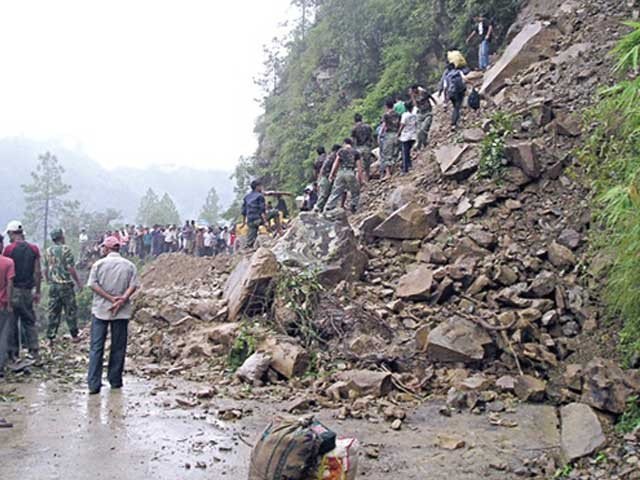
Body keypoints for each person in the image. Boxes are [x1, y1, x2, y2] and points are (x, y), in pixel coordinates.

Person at [87, 236, 139, 394]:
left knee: (97, 347)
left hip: (101, 310)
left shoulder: (99, 264)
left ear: (107, 249)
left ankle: (94, 384)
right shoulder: (129, 265)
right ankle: (115, 380)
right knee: (118, 347)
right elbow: (134, 286)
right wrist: (122, 299)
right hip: (121, 312)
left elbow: (92, 285)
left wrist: (110, 299)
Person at [3, 221, 41, 364]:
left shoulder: (8, 250)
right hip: (27, 291)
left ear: (12, 234)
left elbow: (7, 274)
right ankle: (34, 352)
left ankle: (13, 354)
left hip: (13, 290)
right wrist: (37, 291)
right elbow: (37, 272)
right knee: (29, 321)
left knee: (12, 322)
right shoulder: (34, 249)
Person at [44, 229, 83, 344]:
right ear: (61, 237)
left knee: (53, 310)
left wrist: (48, 280)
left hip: (54, 285)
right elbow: (71, 268)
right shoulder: (66, 249)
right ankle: (74, 335)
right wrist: (78, 282)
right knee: (70, 310)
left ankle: (50, 337)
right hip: (65, 284)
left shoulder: (48, 251)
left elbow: (45, 269)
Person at [324, 138, 364, 213]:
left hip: (341, 172)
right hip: (350, 173)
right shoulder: (356, 152)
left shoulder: (341, 151)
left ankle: (329, 207)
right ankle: (353, 206)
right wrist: (361, 179)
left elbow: (336, 163)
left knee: (336, 191)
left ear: (344, 143)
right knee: (355, 191)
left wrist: (331, 174)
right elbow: (359, 167)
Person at [0, 233, 15, 378]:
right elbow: (9, 285)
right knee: (2, 337)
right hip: (2, 304)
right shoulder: (8, 262)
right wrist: (10, 304)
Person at [410, 84, 437, 150]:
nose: (413, 91)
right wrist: (412, 97)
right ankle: (421, 143)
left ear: (416, 89)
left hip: (428, 111)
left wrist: (436, 104)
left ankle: (423, 142)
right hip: (420, 113)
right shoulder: (413, 95)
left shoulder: (423, 92)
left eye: (414, 90)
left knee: (424, 128)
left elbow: (430, 97)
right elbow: (415, 105)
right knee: (419, 130)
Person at [242, 180, 267, 249]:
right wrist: (265, 222)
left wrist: (244, 222)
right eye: (260, 186)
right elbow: (262, 210)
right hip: (258, 219)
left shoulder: (246, 197)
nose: (261, 188)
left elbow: (244, 211)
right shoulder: (260, 196)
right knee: (275, 212)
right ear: (257, 187)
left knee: (252, 235)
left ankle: (250, 246)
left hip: (250, 221)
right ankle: (280, 231)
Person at [315, 144, 340, 212]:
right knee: (328, 194)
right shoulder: (330, 156)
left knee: (323, 194)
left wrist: (317, 180)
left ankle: (319, 209)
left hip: (323, 177)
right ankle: (321, 209)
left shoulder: (318, 160)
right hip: (329, 177)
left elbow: (317, 171)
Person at [380, 99, 401, 179]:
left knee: (386, 154)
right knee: (395, 152)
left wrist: (380, 135)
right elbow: (400, 124)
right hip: (397, 134)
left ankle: (388, 173)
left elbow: (384, 126)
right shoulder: (398, 114)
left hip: (389, 135)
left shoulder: (386, 115)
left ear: (386, 106)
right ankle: (394, 169)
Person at [351, 114, 374, 181]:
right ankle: (367, 177)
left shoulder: (354, 128)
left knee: (359, 165)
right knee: (367, 163)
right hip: (367, 146)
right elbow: (371, 137)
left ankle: (360, 180)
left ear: (355, 120)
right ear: (361, 119)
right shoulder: (368, 127)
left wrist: (353, 149)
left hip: (358, 147)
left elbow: (353, 140)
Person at [398, 101, 418, 174]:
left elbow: (402, 125)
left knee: (405, 152)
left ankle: (405, 169)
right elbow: (416, 123)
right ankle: (410, 165)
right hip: (413, 135)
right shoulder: (414, 114)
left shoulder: (405, 115)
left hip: (405, 136)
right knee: (408, 151)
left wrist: (398, 133)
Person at [444, 63, 466, 129]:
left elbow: (445, 88)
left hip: (451, 93)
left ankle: (457, 122)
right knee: (457, 107)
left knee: (455, 107)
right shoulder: (458, 72)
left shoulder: (446, 76)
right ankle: (454, 123)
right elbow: (464, 79)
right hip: (459, 92)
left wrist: (445, 100)